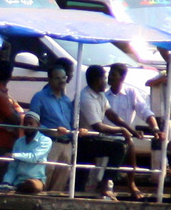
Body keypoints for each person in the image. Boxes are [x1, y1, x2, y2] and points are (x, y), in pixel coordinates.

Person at [74, 65, 132, 198]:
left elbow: (112, 115)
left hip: (92, 138)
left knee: (83, 173)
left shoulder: (99, 95)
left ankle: (97, 187)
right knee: (118, 147)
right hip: (84, 140)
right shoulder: (86, 97)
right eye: (105, 78)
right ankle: (105, 183)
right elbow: (98, 126)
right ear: (97, 80)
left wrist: (131, 130)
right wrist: (122, 130)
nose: (107, 82)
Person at [29, 61, 78, 192]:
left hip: (67, 145)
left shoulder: (67, 101)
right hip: (49, 144)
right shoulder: (39, 97)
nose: (62, 81)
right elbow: (33, 123)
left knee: (61, 181)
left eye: (64, 78)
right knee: (45, 177)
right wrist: (52, 132)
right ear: (49, 79)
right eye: (57, 78)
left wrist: (78, 131)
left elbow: (72, 124)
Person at [0, 113, 53, 194]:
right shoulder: (19, 142)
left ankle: (17, 188)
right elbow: (13, 166)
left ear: (38, 125)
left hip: (36, 179)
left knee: (30, 186)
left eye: (31, 123)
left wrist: (14, 155)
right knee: (4, 187)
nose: (27, 126)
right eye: (25, 123)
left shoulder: (45, 140)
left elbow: (34, 157)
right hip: (18, 180)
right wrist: (6, 182)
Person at [0, 57, 25, 156]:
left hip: (3, 140)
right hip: (2, 142)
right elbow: (16, 119)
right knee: (2, 169)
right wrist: (18, 112)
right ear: (10, 75)